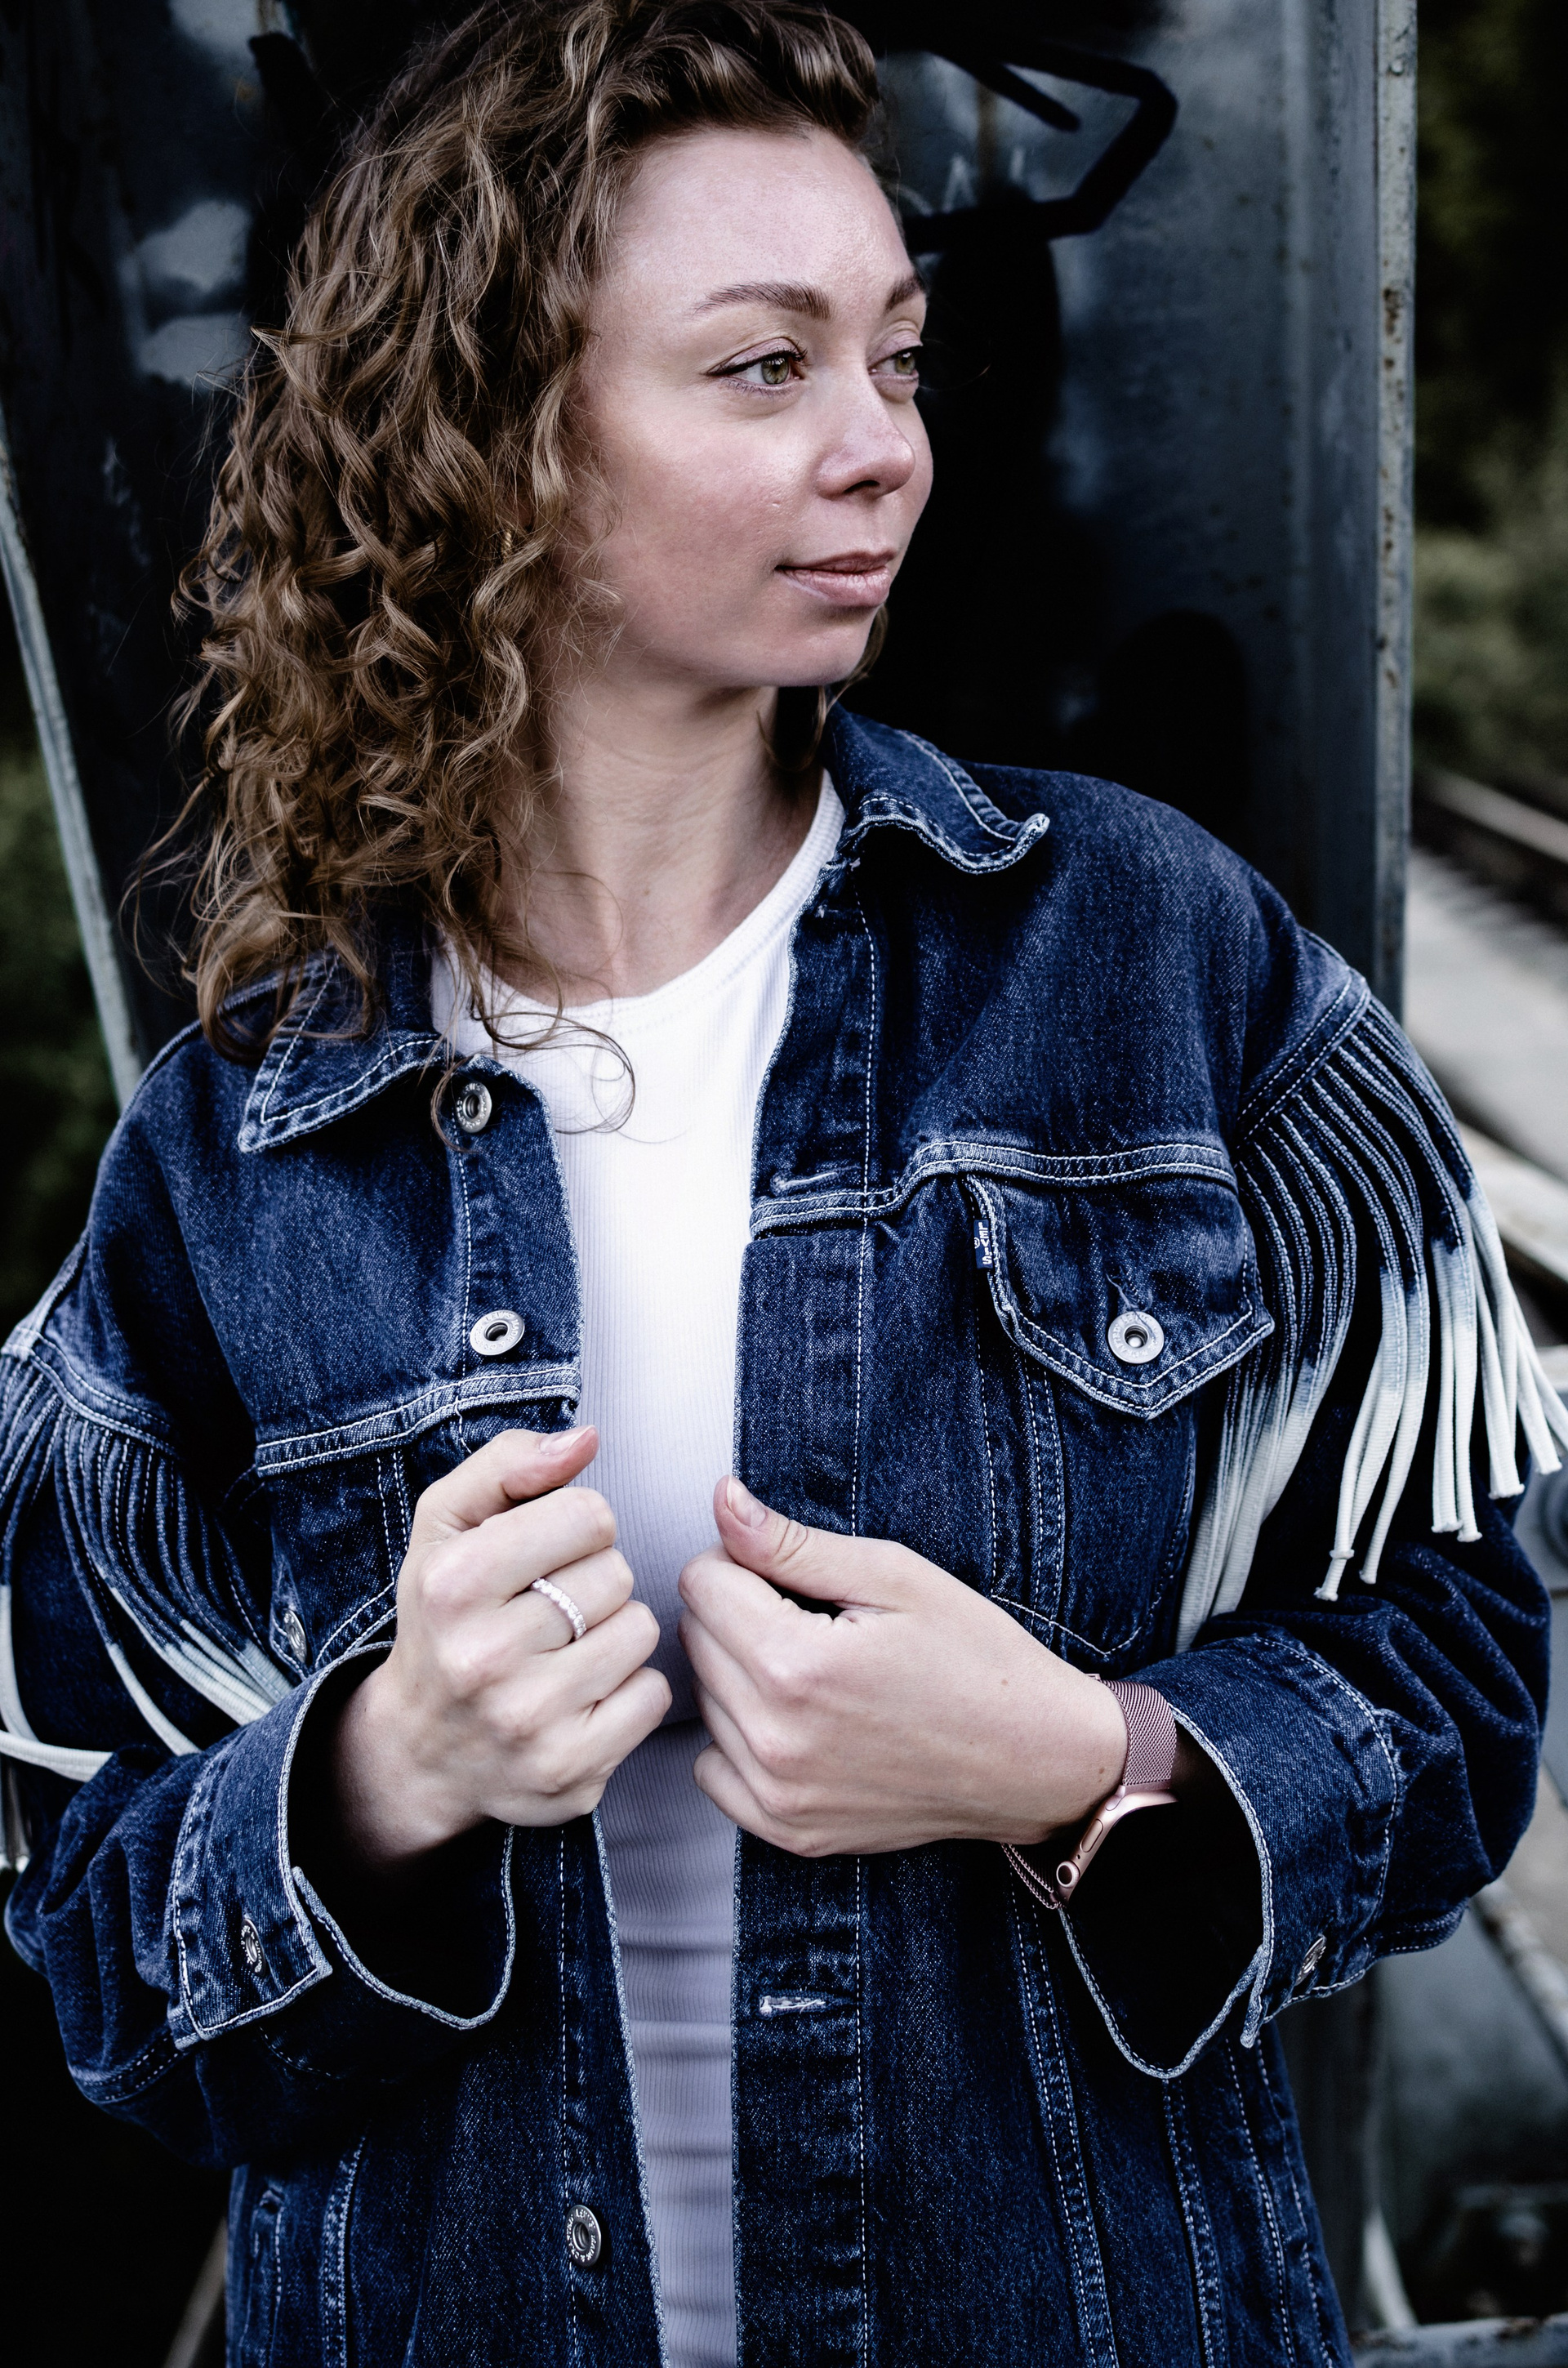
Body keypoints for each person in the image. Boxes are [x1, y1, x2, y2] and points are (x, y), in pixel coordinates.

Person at [2, 5, 1562, 2362]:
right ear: (498, 437)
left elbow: (1470, 1665)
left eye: (899, 360)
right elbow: (94, 1942)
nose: (883, 447)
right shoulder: (234, 1146)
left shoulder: (1159, 962)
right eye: (764, 368)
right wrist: (387, 1771)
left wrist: (1088, 1765)